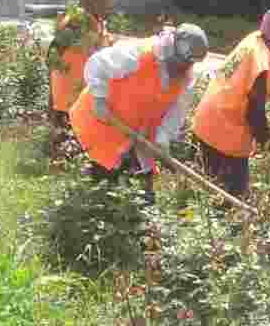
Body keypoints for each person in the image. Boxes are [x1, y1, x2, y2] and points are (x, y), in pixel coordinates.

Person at [70, 23, 210, 206]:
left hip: (137, 137)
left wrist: (162, 140)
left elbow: (175, 113)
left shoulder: (185, 78)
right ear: (171, 47)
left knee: (143, 199)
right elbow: (98, 63)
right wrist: (99, 98)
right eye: (177, 62)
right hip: (102, 123)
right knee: (99, 190)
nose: (179, 68)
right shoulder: (138, 53)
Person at [191, 1, 270, 199]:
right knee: (232, 203)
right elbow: (254, 114)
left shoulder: (254, 40)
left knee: (202, 194)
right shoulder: (262, 63)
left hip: (205, 122)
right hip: (224, 135)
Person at [46, 0, 115, 139]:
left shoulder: (96, 21)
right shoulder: (76, 20)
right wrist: (52, 96)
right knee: (65, 138)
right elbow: (53, 52)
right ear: (91, 1)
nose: (108, 3)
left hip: (83, 90)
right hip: (68, 93)